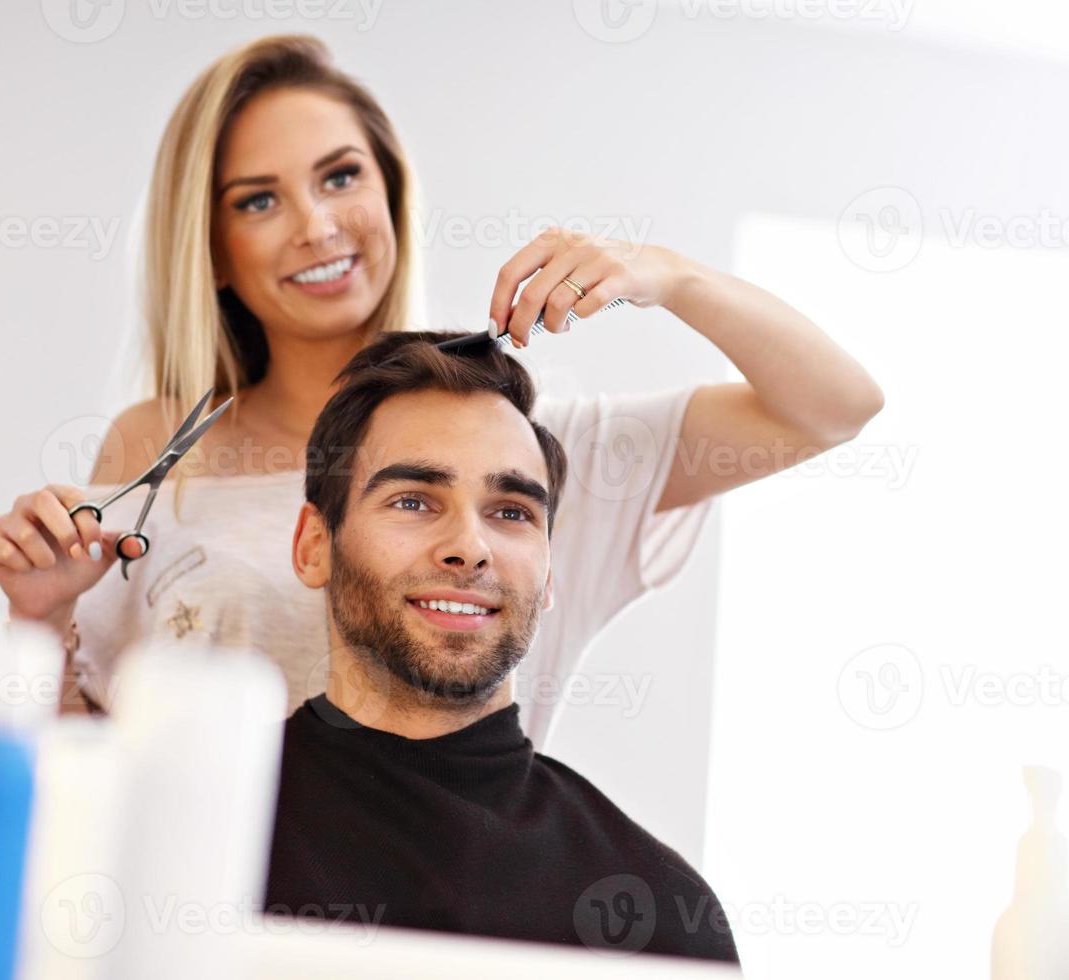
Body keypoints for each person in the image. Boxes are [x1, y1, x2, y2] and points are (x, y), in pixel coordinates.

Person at [0, 34, 883, 749]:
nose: (317, 225)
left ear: (391, 189)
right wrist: (42, 611)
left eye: (341, 176)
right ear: (211, 247)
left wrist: (668, 274)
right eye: (259, 201)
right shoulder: (156, 448)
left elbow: (834, 405)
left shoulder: (524, 451)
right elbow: (85, 763)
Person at [262, 330, 738, 963]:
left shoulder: (659, 916)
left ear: (549, 574)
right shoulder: (200, 827)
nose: (470, 546)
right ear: (314, 546)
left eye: (511, 512)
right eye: (413, 501)